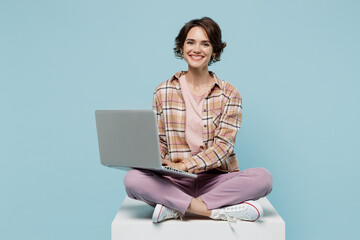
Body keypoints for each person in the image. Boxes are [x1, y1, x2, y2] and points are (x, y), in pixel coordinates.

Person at [124, 17, 273, 223]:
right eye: (190, 42)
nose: (197, 49)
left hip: (217, 180)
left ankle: (176, 208)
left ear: (215, 51)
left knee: (263, 178)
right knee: (132, 179)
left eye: (205, 44)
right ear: (182, 46)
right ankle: (212, 211)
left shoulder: (229, 93)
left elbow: (223, 147)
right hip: (174, 181)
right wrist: (153, 161)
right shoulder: (163, 91)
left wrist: (185, 165)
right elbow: (159, 140)